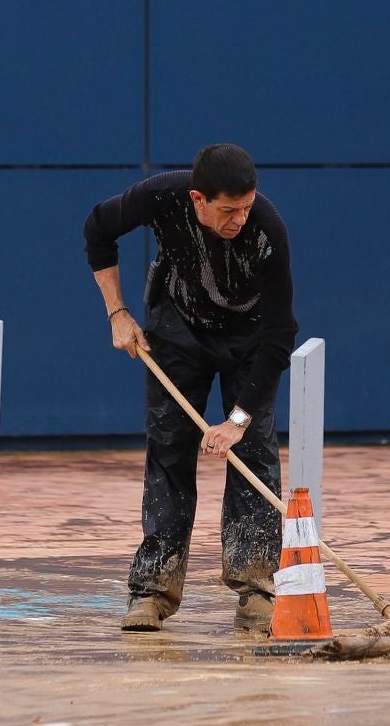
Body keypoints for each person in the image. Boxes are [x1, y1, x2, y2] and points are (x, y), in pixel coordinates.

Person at [82, 143, 298, 634]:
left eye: (246, 207)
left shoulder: (269, 231)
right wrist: (117, 312)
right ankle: (152, 590)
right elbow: (98, 228)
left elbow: (281, 334)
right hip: (178, 326)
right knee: (169, 447)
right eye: (228, 210)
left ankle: (257, 590)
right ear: (198, 199)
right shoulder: (162, 196)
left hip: (250, 338)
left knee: (254, 453)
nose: (240, 219)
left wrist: (237, 421)